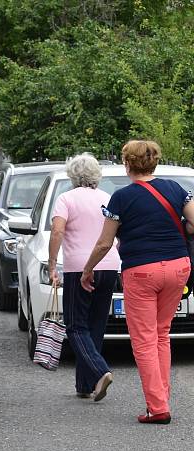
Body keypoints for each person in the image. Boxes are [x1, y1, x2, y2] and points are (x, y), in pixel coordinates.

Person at [81, 140, 194, 424]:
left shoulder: (121, 197)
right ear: (154, 161)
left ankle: (158, 408)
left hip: (141, 271)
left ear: (128, 164)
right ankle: (161, 399)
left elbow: (105, 242)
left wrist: (88, 269)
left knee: (144, 340)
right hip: (179, 267)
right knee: (161, 334)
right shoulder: (176, 189)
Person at [48, 153, 119, 402]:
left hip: (79, 267)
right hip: (109, 265)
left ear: (72, 176)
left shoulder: (66, 199)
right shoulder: (107, 199)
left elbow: (57, 230)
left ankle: (100, 372)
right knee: (95, 326)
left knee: (76, 326)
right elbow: (115, 233)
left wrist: (52, 264)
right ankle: (85, 384)